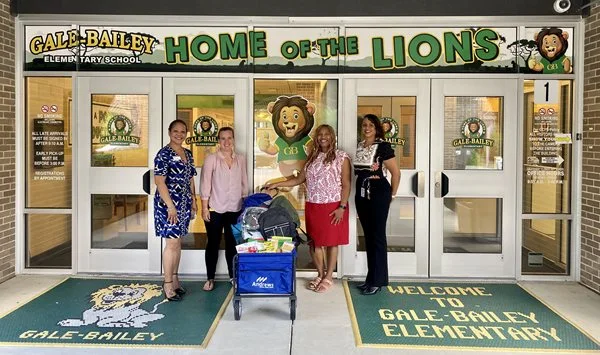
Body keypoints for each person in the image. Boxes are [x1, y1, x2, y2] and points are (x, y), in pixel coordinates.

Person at [267, 124, 351, 293]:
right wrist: (276, 183)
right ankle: (320, 274)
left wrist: (342, 206)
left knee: (331, 242)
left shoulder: (342, 157)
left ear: (332, 137)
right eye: (319, 134)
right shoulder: (312, 157)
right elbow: (298, 180)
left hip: (333, 205)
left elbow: (347, 184)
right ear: (316, 138)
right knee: (315, 242)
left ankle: (329, 277)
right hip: (313, 205)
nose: (323, 137)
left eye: (327, 134)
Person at [354, 114, 400, 295]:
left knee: (378, 237)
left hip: (379, 193)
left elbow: (396, 173)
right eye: (364, 125)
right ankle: (370, 278)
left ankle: (378, 280)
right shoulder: (359, 146)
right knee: (368, 237)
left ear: (377, 128)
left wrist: (392, 195)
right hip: (362, 193)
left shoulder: (383, 147)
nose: (367, 128)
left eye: (371, 125)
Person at [154, 119, 198, 301]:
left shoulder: (187, 153)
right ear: (169, 132)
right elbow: (159, 181)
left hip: (184, 204)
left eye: (182, 131)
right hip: (168, 205)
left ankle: (175, 279)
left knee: (177, 243)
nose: (179, 134)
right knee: (171, 244)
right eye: (175, 131)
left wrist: (194, 200)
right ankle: (167, 284)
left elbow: (190, 179)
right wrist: (171, 206)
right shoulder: (163, 154)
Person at [200, 127, 248, 291]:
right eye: (222, 139)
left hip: (235, 207)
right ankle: (210, 278)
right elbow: (205, 184)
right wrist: (204, 208)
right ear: (218, 141)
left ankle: (233, 276)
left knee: (232, 243)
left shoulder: (240, 159)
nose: (226, 142)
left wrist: (244, 205)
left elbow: (244, 182)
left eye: (229, 138)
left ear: (233, 139)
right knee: (212, 243)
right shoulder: (211, 159)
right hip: (215, 207)